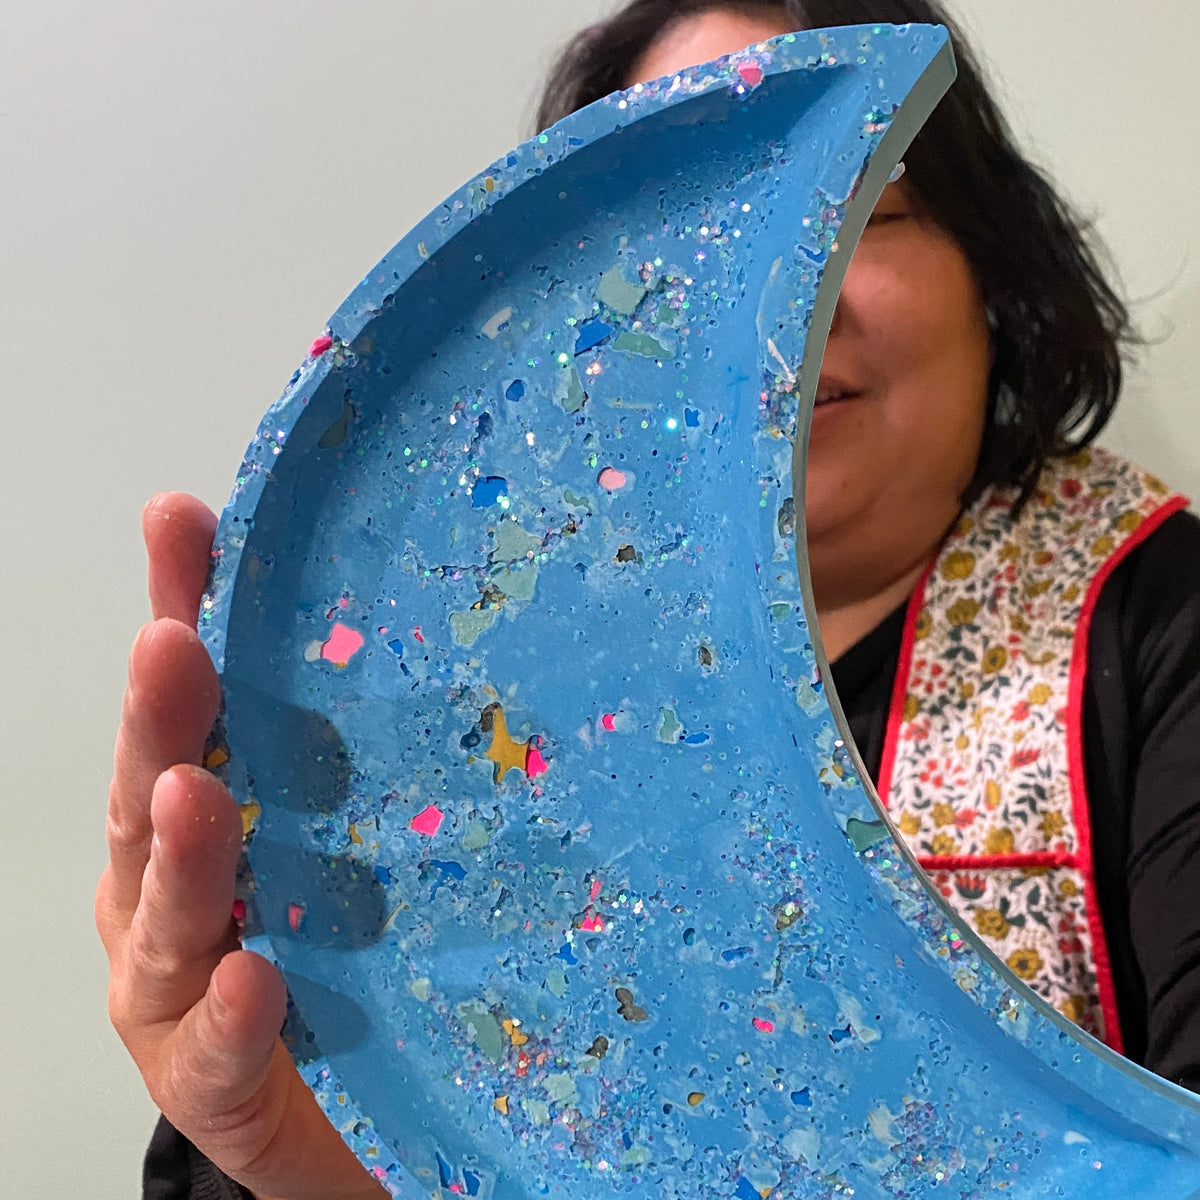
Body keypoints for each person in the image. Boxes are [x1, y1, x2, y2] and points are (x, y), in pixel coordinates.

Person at [97, 1, 1200, 1197]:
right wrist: (350, 1173)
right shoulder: (453, 714)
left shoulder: (1158, 620)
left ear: (993, 264)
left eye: (860, 213)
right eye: (690, 256)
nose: (785, 305)